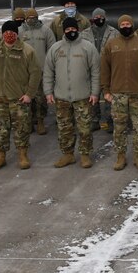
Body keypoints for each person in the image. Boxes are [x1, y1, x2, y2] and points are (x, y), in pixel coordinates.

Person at [100, 14, 138, 171]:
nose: (125, 26)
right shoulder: (111, 45)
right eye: (122, 24)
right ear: (119, 26)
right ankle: (120, 157)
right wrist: (106, 91)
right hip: (118, 95)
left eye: (127, 24)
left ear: (132, 25)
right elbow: (104, 69)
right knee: (119, 128)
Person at [0, 19, 40, 171]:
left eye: (12, 32)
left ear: (17, 34)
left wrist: (29, 94)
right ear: (2, 34)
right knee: (0, 129)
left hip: (18, 99)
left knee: (22, 128)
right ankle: (0, 156)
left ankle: (22, 155)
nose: (9, 35)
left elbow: (35, 74)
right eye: (6, 32)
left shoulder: (27, 51)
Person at [44, 17, 100, 168]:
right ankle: (68, 155)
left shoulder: (87, 47)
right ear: (64, 31)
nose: (71, 31)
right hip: (61, 97)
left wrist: (95, 93)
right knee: (64, 128)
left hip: (83, 97)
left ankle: (85, 155)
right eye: (68, 29)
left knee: (85, 128)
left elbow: (96, 72)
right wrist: (48, 92)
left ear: (78, 29)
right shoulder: (56, 48)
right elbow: (48, 72)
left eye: (73, 29)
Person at [20, 7, 58, 136]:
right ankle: (29, 121)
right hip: (25, 72)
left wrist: (48, 66)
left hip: (41, 70)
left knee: (40, 98)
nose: (32, 20)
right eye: (29, 18)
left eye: (34, 17)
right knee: (26, 97)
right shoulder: (20, 31)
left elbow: (52, 49)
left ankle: (40, 120)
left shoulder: (45, 31)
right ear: (26, 19)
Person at [81, 6, 118, 132]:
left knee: (109, 96)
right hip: (91, 69)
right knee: (92, 95)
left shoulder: (114, 32)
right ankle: (94, 120)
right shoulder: (85, 34)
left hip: (108, 68)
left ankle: (111, 121)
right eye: (96, 17)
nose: (99, 19)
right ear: (92, 18)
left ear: (105, 17)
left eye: (101, 16)